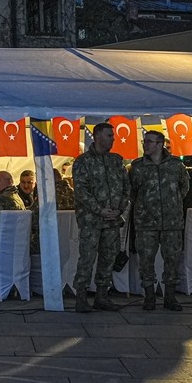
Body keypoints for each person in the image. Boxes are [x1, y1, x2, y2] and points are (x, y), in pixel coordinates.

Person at [130, 130, 190, 311]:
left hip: (172, 222)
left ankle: (170, 297)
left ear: (160, 144)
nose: (145, 145)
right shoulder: (138, 166)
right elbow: (133, 192)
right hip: (146, 222)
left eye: (149, 142)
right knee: (146, 260)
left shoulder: (175, 166)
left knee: (172, 259)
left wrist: (171, 205)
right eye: (144, 141)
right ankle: (149, 296)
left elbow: (183, 188)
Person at [71, 122, 127, 313]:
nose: (113, 138)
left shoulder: (116, 161)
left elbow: (126, 187)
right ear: (97, 137)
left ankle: (102, 295)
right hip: (91, 220)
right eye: (109, 135)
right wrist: (99, 210)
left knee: (108, 257)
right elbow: (81, 190)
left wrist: (120, 208)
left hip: (112, 219)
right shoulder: (83, 162)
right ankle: (81, 296)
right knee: (87, 257)